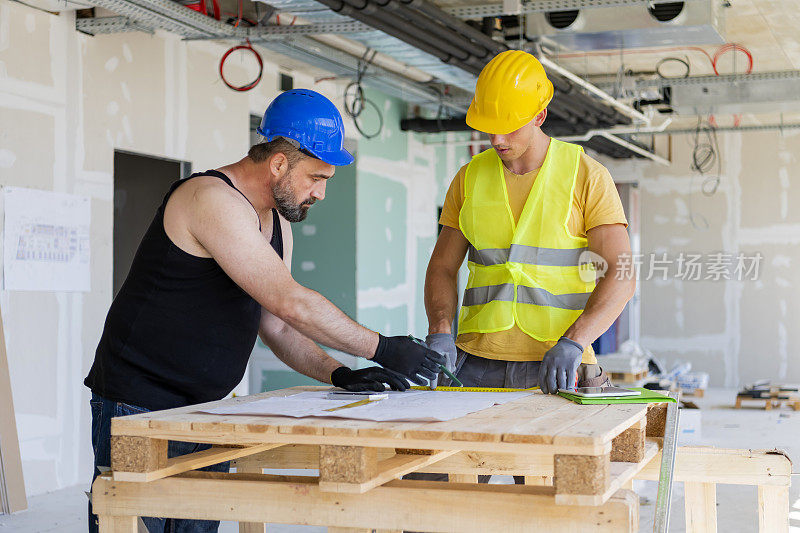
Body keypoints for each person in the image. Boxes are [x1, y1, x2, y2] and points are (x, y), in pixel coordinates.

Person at [84, 88, 445, 533]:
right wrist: (383, 348)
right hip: (139, 405)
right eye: (316, 177)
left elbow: (276, 323)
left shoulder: (274, 222)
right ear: (279, 164)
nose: (322, 192)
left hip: (207, 410)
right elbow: (290, 301)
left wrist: (339, 373)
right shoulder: (210, 198)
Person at [424, 49, 636, 427]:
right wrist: (440, 330)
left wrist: (575, 340)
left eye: (509, 126)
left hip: (559, 365)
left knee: (554, 485)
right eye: (490, 126)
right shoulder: (468, 178)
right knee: (445, 478)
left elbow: (621, 273)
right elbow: (442, 266)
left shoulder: (586, 175)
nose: (497, 138)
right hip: (473, 366)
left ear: (540, 116)